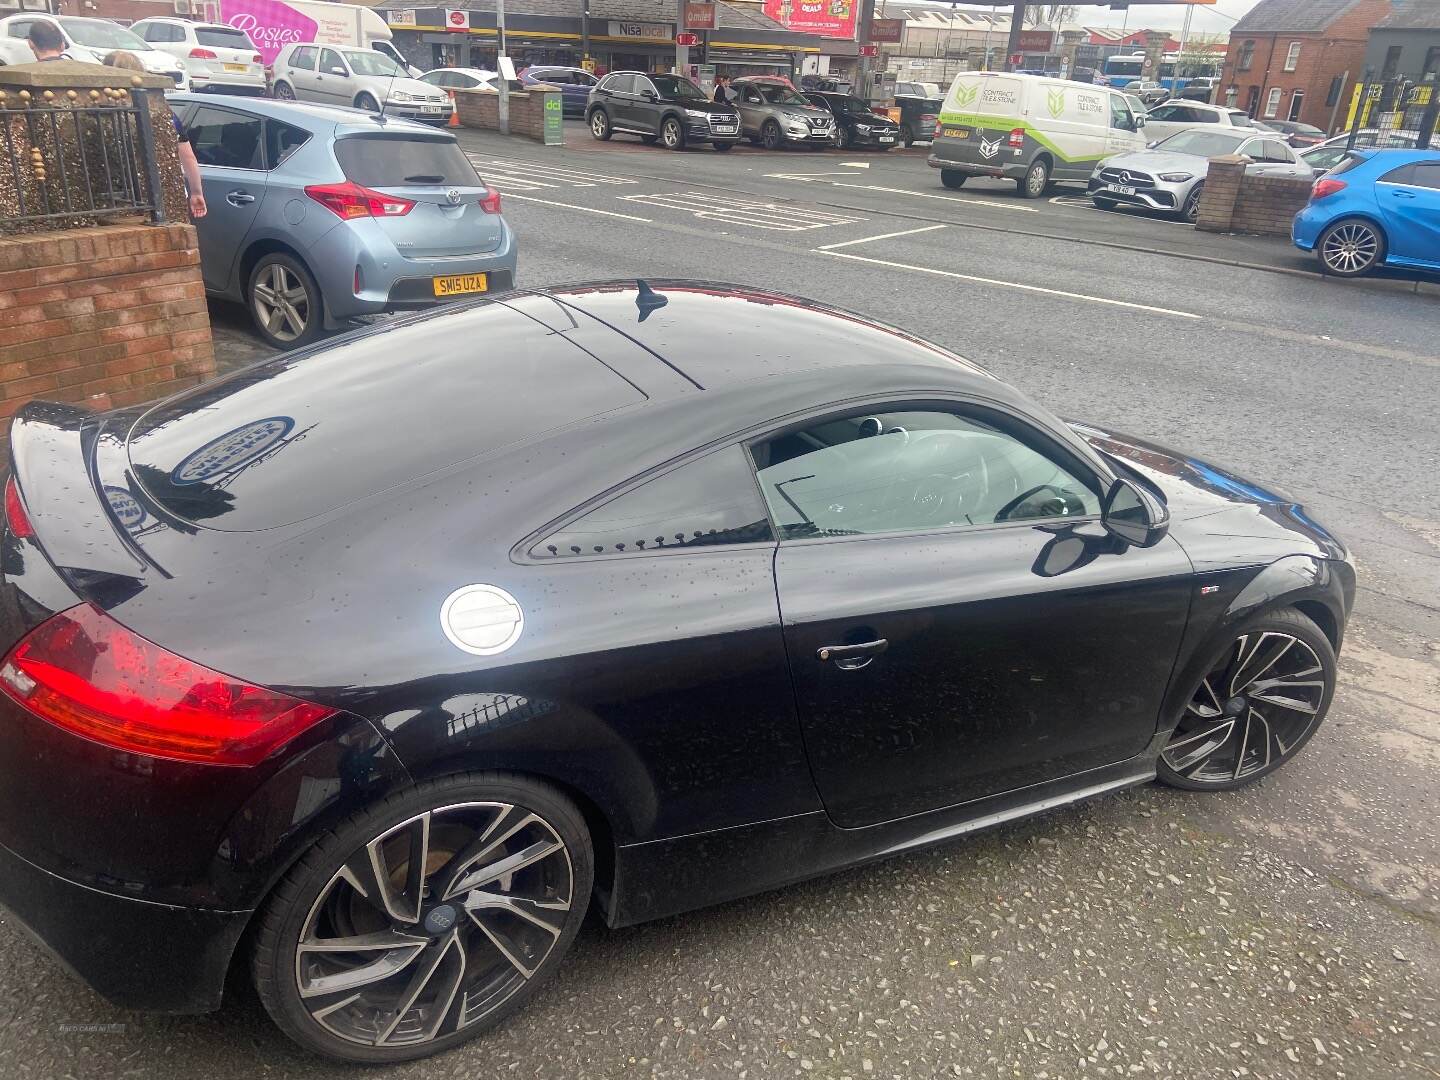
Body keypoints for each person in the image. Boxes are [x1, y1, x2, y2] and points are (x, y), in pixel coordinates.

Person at [103, 50, 206, 219]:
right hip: (167, 194)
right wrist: (196, 192)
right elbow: (188, 157)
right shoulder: (163, 112)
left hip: (122, 197)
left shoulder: (101, 111)